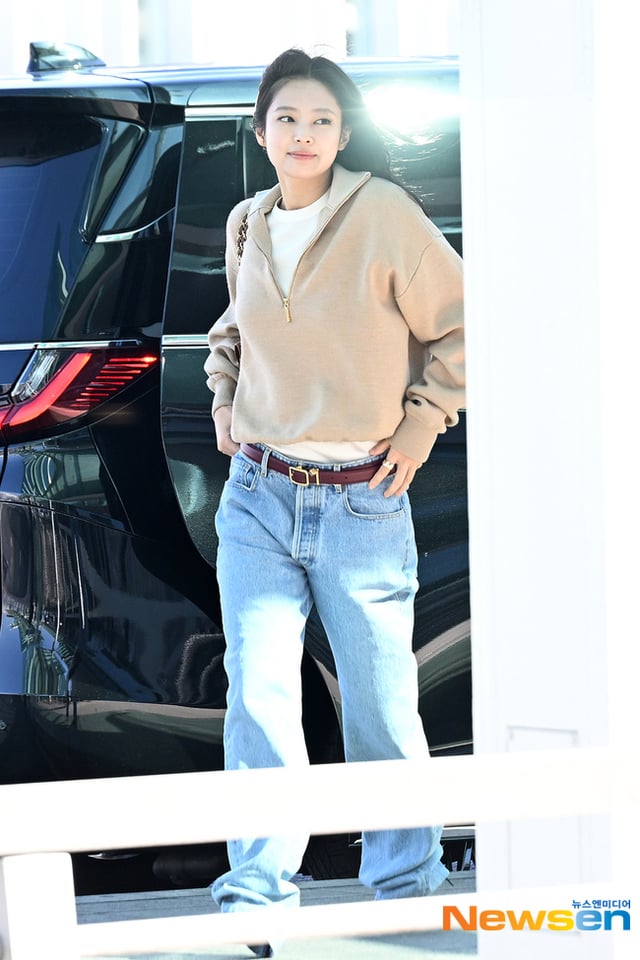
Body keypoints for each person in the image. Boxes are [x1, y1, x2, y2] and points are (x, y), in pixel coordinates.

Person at [204, 48, 464, 957]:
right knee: (260, 698)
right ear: (261, 131)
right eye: (287, 119)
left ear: (344, 133)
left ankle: (407, 892)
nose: (303, 134)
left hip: (362, 502)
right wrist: (223, 397)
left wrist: (421, 425)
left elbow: (463, 326)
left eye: (320, 120)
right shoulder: (247, 222)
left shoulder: (383, 214)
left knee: (382, 711)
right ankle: (257, 901)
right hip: (258, 497)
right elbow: (232, 330)